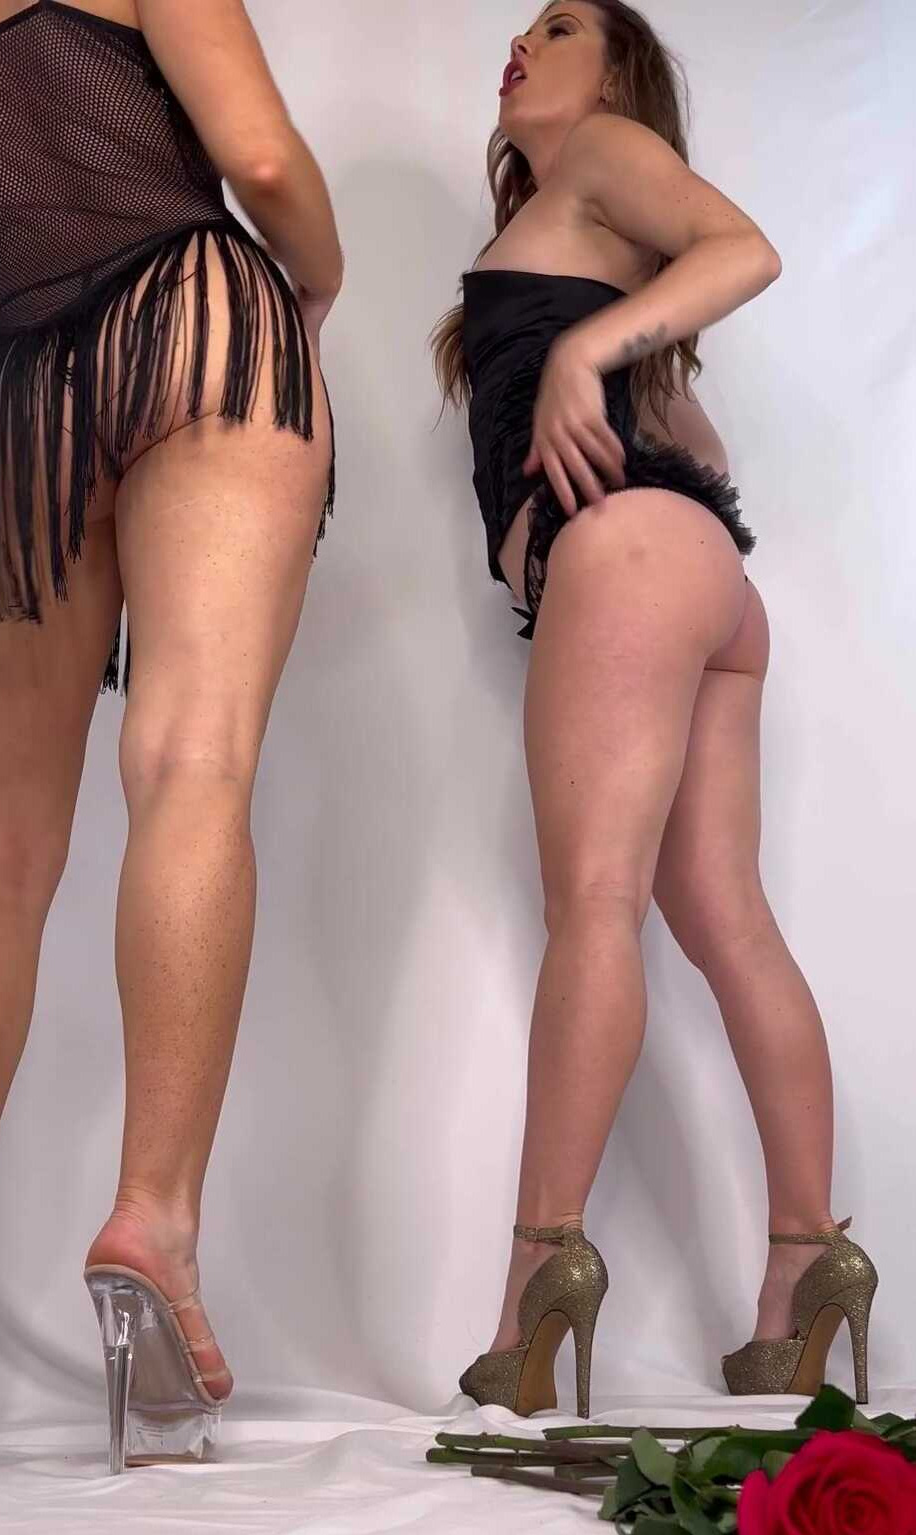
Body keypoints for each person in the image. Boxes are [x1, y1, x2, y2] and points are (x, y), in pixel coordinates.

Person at [0, 0, 339, 1468]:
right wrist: (316, 282)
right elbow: (260, 161)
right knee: (190, 765)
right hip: (196, 318)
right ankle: (153, 1221)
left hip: (13, 391)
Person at [435, 1, 871, 1417]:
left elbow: (746, 248)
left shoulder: (601, 155)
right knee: (726, 919)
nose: (522, 41)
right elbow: (696, 452)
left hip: (627, 560)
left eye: (559, 27)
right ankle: (805, 1266)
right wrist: (608, 373)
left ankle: (535, 1280)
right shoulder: (582, 221)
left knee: (595, 905)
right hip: (699, 583)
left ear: (615, 76)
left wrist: (577, 360)